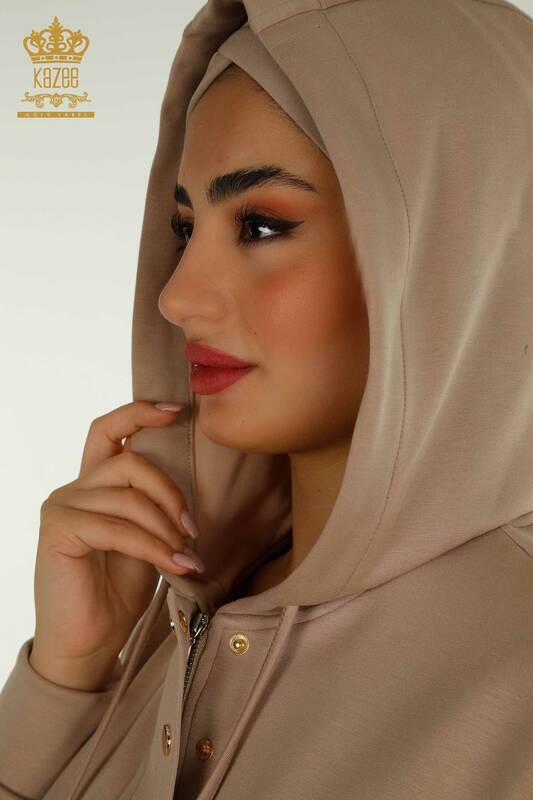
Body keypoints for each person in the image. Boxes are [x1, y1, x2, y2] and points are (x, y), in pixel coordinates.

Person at [1, 1, 532, 798]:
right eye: (185, 229)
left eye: (261, 226)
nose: (177, 298)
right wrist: (68, 672)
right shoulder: (186, 618)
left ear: (448, 246)